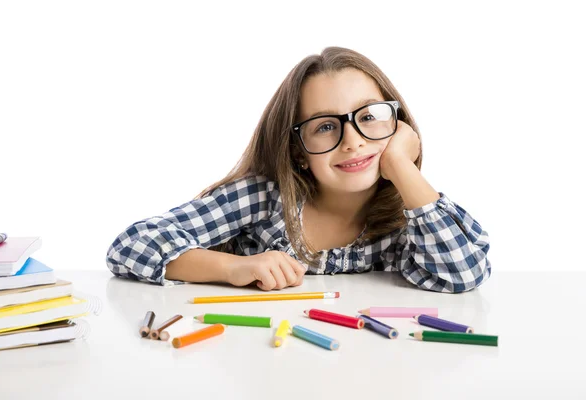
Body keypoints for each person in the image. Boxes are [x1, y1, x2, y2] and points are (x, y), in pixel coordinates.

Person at [106, 46, 491, 293]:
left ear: (399, 124)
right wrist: (234, 268)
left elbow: (463, 274)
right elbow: (130, 246)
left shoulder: (409, 216)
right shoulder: (263, 198)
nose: (353, 141)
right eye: (325, 126)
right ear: (298, 150)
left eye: (369, 116)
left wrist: (401, 165)